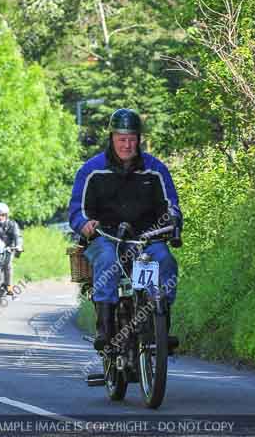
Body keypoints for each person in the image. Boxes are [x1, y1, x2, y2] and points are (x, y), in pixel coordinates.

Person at [68, 108, 182, 350]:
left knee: (166, 261)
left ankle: (159, 325)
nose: (127, 145)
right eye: (122, 139)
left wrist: (173, 221)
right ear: (111, 138)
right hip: (105, 237)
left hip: (146, 239)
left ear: (139, 139)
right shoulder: (91, 169)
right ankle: (106, 330)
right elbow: (76, 210)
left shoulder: (155, 169)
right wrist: (85, 224)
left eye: (132, 139)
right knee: (108, 261)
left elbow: (171, 205)